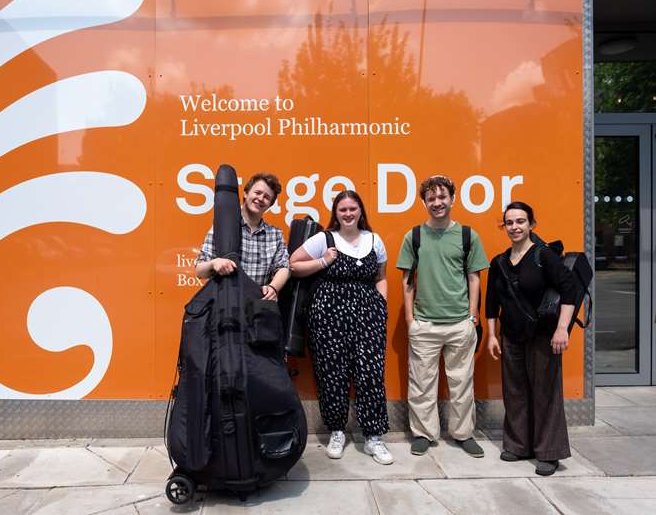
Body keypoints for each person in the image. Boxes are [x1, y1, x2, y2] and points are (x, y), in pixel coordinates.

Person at [289, 190, 392, 465]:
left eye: (352, 209)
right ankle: (337, 431)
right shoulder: (325, 239)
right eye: (342, 209)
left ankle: (373, 437)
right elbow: (293, 264)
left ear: (361, 212)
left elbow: (381, 276)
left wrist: (381, 306)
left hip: (368, 315)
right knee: (331, 373)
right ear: (336, 213)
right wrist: (323, 261)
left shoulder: (375, 239)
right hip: (328, 316)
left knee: (370, 373)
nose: (348, 214)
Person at [396, 175, 489, 458]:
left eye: (442, 197)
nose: (437, 203)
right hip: (425, 324)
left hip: (460, 323)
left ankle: (463, 434)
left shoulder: (467, 235)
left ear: (452, 198)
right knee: (422, 383)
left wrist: (472, 317)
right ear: (424, 201)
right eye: (431, 198)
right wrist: (411, 320)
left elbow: (474, 278)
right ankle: (424, 433)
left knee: (462, 383)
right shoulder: (413, 236)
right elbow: (407, 281)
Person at [486, 201, 575, 476]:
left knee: (546, 393)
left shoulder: (543, 255)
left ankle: (549, 453)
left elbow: (569, 289)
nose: (515, 227)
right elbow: (491, 303)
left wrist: (562, 328)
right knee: (515, 392)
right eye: (510, 222)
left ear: (531, 224)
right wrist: (491, 335)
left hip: (543, 336)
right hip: (511, 335)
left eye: (520, 221)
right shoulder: (499, 262)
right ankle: (518, 445)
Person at [195, 172, 289, 298]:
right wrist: (215, 263)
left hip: (257, 306)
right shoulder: (223, 227)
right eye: (257, 193)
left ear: (270, 205)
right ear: (246, 193)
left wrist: (273, 287)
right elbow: (199, 271)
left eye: (267, 197)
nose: (260, 198)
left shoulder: (275, 234)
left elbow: (283, 268)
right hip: (226, 306)